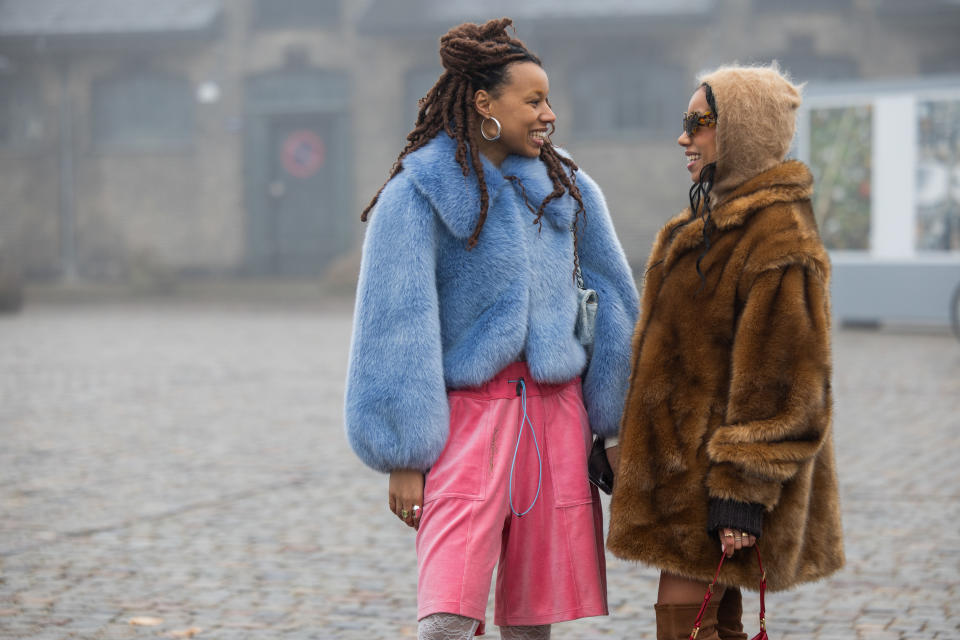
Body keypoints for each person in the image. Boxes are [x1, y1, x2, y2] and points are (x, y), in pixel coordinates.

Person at [344, 18, 638, 640]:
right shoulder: (416, 195)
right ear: (484, 103)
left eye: (549, 100)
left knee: (535, 618)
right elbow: (395, 323)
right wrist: (404, 453)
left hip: (558, 423)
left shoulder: (570, 189)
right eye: (533, 100)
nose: (548, 114)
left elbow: (613, 300)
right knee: (447, 613)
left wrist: (613, 425)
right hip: (465, 422)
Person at [606, 64, 845, 640]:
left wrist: (741, 494)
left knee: (684, 625)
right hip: (686, 478)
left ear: (743, 130)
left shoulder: (777, 235)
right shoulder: (705, 225)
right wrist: (628, 446)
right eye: (684, 122)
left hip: (720, 484)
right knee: (716, 624)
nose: (683, 137)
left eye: (700, 123)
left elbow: (786, 386)